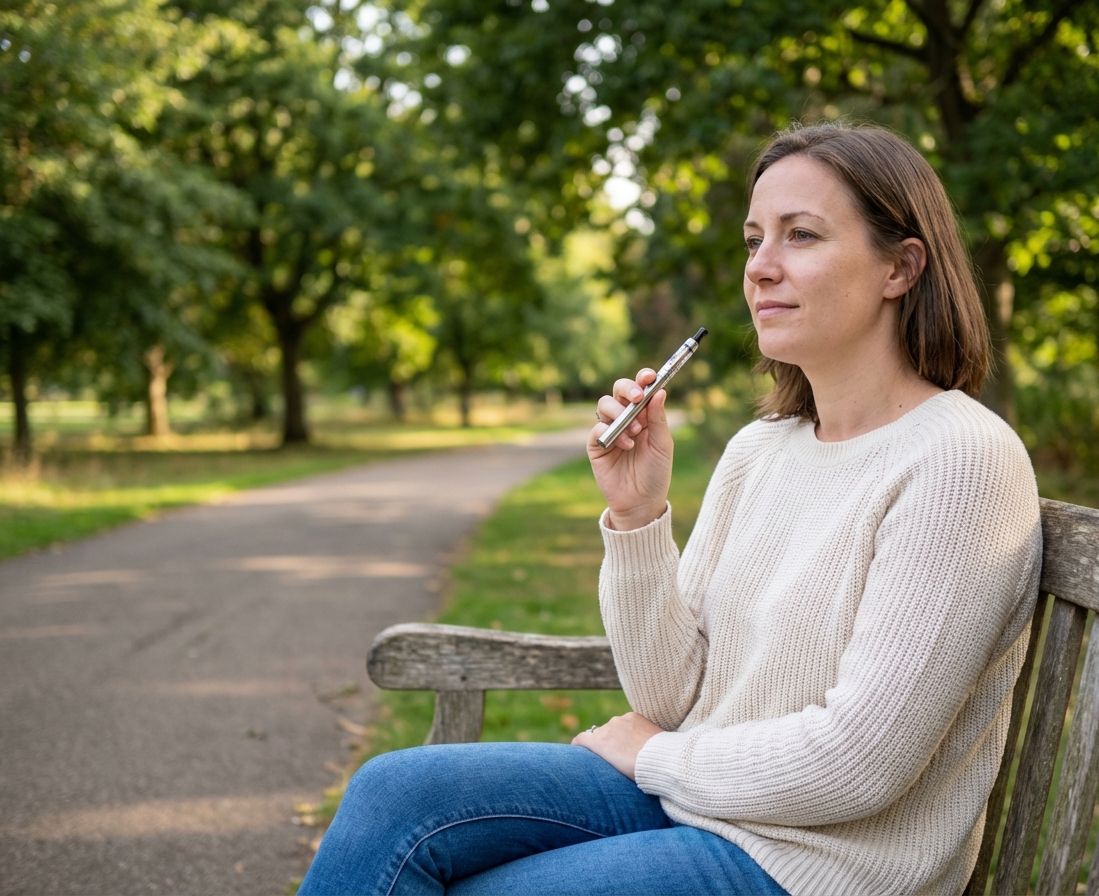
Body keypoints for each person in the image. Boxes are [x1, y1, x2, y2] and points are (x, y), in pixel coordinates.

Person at [298, 121, 1042, 896]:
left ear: (901, 266)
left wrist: (651, 757)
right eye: (754, 240)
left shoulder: (960, 460)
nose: (761, 268)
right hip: (704, 803)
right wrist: (636, 515)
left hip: (821, 867)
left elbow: (858, 765)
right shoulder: (762, 449)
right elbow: (668, 699)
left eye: (801, 236)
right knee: (392, 795)